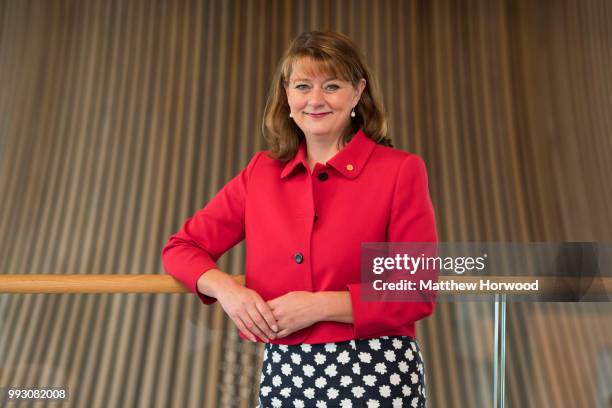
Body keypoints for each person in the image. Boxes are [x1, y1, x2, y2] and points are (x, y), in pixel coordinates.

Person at [162, 30, 437, 408]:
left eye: (332, 86)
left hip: (377, 371)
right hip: (285, 372)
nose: (315, 100)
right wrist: (228, 291)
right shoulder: (260, 173)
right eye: (303, 86)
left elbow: (415, 288)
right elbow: (182, 248)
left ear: (357, 92)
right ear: (287, 96)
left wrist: (318, 305)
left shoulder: (400, 171)